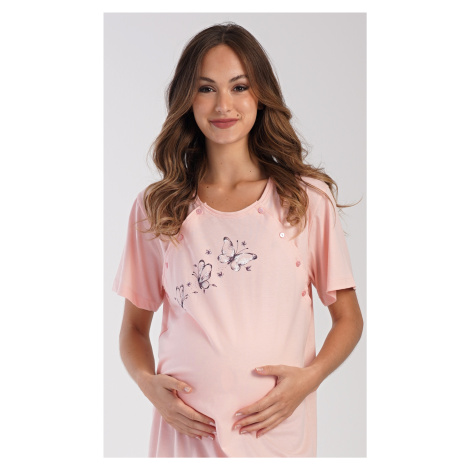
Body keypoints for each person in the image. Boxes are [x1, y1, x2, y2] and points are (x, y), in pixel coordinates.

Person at [112, 22, 363, 458]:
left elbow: (349, 318)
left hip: (274, 434)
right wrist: (148, 385)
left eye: (239, 86)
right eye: (206, 88)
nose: (223, 105)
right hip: (185, 436)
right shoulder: (158, 208)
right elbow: (134, 328)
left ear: (259, 95)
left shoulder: (305, 200)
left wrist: (309, 379)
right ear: (187, 98)